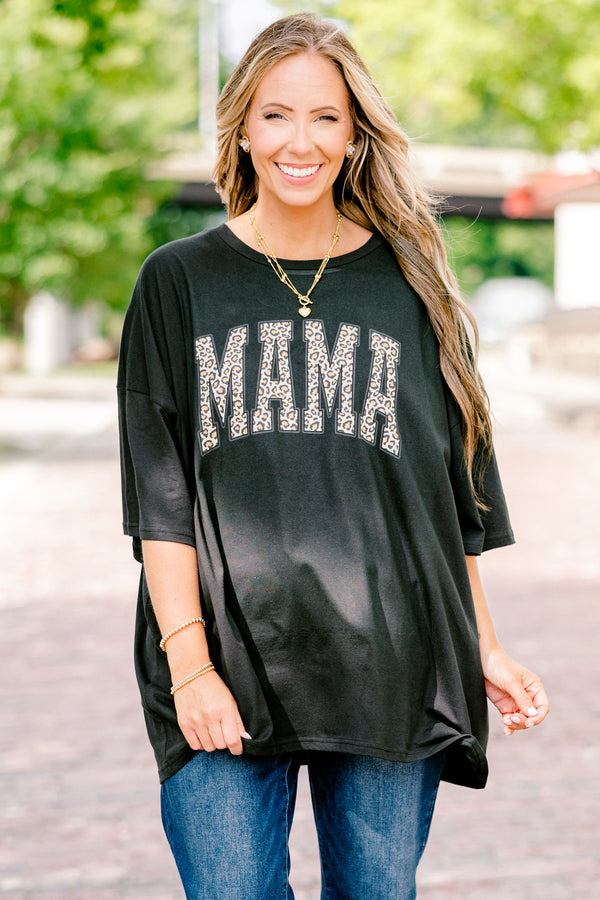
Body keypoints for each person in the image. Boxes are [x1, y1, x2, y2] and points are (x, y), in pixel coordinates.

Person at [117, 13, 549, 900]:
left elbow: (443, 497)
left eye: (326, 117)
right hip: (225, 658)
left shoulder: (413, 285)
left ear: (355, 136)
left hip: (390, 657)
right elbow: (160, 499)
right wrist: (190, 668)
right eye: (276, 115)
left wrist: (486, 646)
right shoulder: (177, 280)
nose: (300, 141)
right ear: (242, 128)